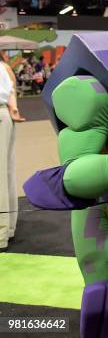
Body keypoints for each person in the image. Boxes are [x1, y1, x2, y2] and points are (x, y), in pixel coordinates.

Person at [0, 62, 26, 252]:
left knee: (2, 174)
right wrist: (13, 109)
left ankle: (2, 233)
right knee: (5, 172)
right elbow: (11, 89)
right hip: (5, 114)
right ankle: (7, 229)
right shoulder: (3, 65)